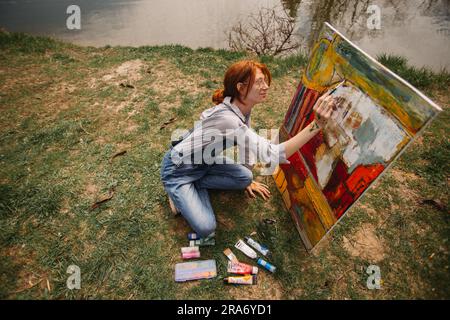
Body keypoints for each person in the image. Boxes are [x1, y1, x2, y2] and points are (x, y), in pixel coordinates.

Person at [160, 60, 336, 239]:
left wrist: (247, 179)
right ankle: (177, 192)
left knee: (245, 177)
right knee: (206, 228)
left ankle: (193, 187)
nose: (266, 86)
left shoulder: (241, 108)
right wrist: (317, 124)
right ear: (241, 88)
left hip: (205, 162)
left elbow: (247, 146)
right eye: (259, 82)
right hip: (178, 169)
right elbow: (272, 155)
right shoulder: (228, 119)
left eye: (265, 81)